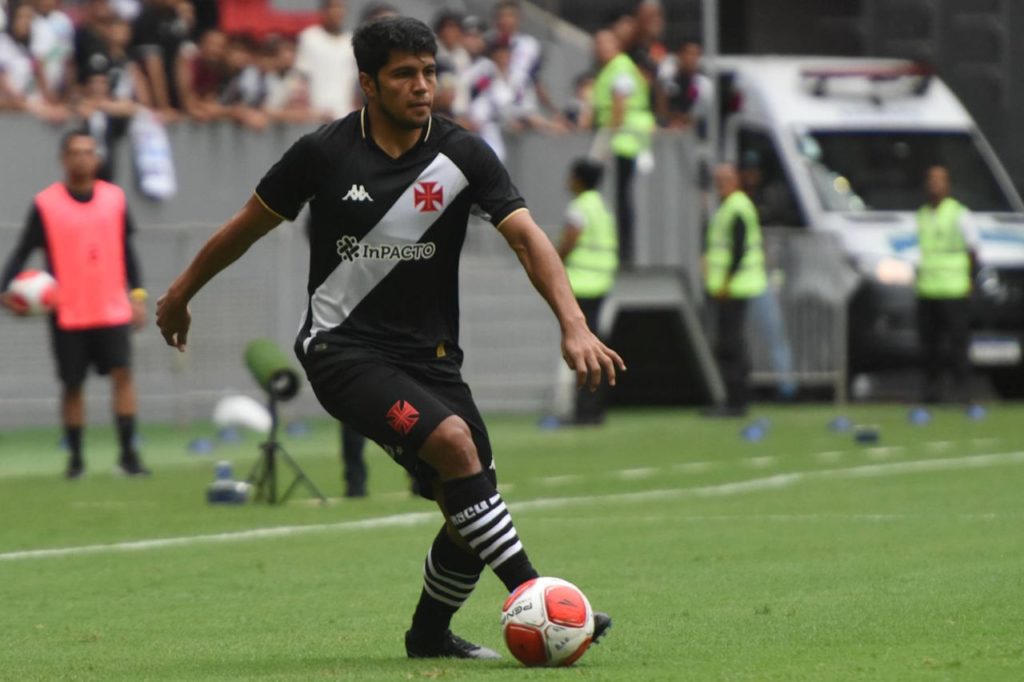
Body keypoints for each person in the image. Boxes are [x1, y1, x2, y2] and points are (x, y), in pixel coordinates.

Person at [156, 16, 618, 659]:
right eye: (405, 75)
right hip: (340, 349)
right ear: (369, 85)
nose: (423, 86)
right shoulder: (323, 153)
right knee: (456, 447)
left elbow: (526, 235)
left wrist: (574, 324)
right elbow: (246, 226)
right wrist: (180, 293)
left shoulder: (463, 154)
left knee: (469, 499)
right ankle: (542, 599)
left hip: (431, 360)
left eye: (429, 72)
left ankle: (428, 637)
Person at [1, 130, 150, 479]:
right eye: (75, 152)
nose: (83, 158)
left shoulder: (114, 199)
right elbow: (22, 251)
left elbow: (128, 252)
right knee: (72, 385)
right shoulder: (46, 204)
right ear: (63, 159)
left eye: (88, 152)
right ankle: (76, 461)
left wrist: (138, 295)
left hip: (112, 307)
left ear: (96, 158)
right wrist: (5, 291)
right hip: (68, 311)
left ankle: (128, 456)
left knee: (123, 376)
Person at [557, 158, 618, 425]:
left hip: (581, 282)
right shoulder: (602, 207)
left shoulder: (580, 207)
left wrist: (552, 262)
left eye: (571, 175)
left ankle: (585, 409)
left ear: (579, 179)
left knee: (580, 348)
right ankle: (593, 407)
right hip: (601, 281)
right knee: (594, 344)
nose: (568, 180)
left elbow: (570, 239)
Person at [703, 163, 766, 417]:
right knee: (730, 343)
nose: (721, 183)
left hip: (736, 286)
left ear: (736, 180)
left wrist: (726, 282)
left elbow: (738, 249)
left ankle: (736, 401)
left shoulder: (737, 206)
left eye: (726, 178)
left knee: (731, 344)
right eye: (718, 179)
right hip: (730, 285)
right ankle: (734, 399)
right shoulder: (730, 206)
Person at [915, 165, 979, 404]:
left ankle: (963, 391)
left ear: (948, 185)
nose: (934, 185)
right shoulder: (921, 214)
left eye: (939, 181)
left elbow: (973, 249)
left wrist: (970, 278)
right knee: (929, 346)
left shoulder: (959, 213)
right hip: (927, 289)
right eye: (931, 180)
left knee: (957, 344)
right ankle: (932, 392)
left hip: (953, 288)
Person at [591, 29, 654, 267]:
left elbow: (619, 105)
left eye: (606, 42)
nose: (600, 48)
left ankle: (625, 252)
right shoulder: (609, 69)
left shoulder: (620, 67)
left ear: (616, 45)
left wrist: (606, 139)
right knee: (620, 197)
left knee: (622, 199)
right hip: (622, 139)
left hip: (626, 140)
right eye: (597, 43)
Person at [295, 0, 358, 121]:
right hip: (316, 116)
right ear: (323, 11)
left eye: (341, 7)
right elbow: (301, 78)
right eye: (333, 7)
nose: (337, 12)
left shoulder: (351, 42)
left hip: (344, 117)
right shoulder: (310, 37)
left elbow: (353, 83)